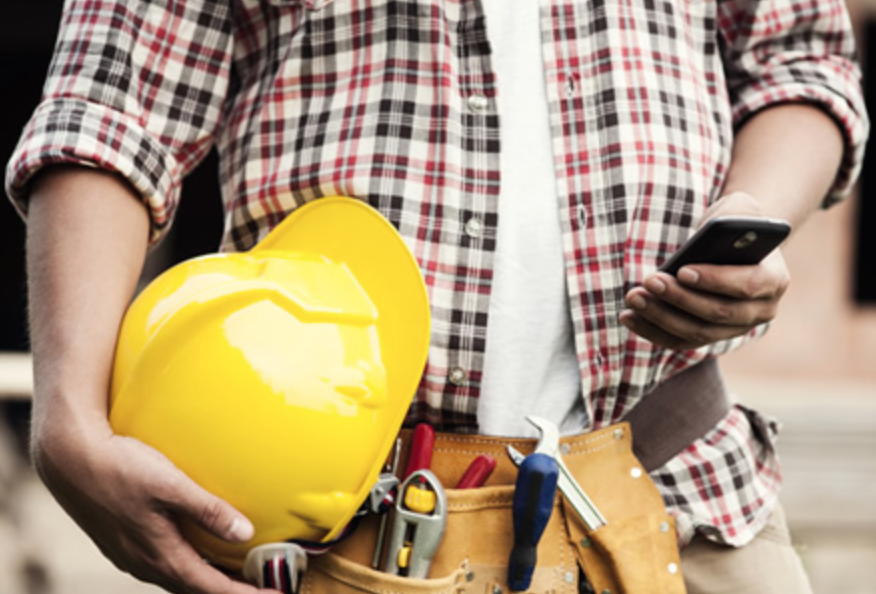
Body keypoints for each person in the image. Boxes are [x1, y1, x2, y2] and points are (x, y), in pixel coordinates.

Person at [5, 0, 868, 593]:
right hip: (337, 527)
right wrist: (68, 415)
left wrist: (757, 213)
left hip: (683, 498)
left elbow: (799, 59)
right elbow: (115, 105)